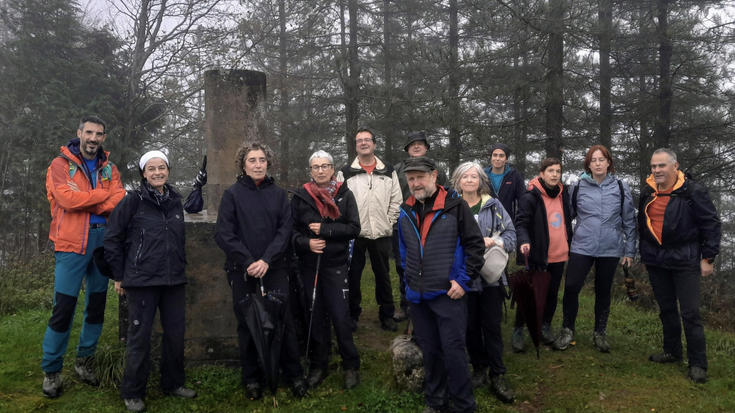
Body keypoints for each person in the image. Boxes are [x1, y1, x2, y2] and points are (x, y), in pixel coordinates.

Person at [104, 151, 197, 412]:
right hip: (142, 280)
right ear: (144, 174)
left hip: (174, 280)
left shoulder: (175, 201)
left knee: (176, 335)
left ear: (168, 171)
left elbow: (177, 240)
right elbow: (112, 238)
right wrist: (119, 275)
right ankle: (133, 392)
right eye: (152, 169)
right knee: (139, 337)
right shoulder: (132, 201)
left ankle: (173, 383)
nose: (158, 172)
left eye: (162, 168)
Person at [215, 142, 306, 400]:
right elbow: (224, 234)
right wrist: (248, 261)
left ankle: (293, 375)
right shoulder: (232, 194)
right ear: (243, 164)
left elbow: (285, 230)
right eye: (252, 160)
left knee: (283, 321)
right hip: (241, 270)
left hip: (275, 267)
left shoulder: (278, 194)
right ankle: (252, 378)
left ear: (268, 163)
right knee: (247, 324)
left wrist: (266, 259)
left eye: (262, 160)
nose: (258, 164)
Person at [42, 116, 126, 398]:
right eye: (88, 132)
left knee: (97, 305)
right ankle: (52, 369)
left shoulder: (110, 167)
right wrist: (103, 196)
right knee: (63, 308)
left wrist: (89, 196)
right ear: (79, 133)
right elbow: (66, 200)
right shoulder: (60, 165)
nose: (93, 138)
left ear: (104, 137)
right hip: (70, 244)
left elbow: (120, 198)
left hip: (103, 243)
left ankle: (85, 360)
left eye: (98, 134)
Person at [397, 157, 484, 413]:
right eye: (411, 179)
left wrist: (463, 280)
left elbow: (476, 247)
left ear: (434, 176)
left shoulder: (455, 207)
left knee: (454, 352)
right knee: (430, 351)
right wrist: (408, 281)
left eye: (420, 177)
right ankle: (436, 402)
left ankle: (464, 405)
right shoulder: (406, 211)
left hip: (448, 294)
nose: (416, 183)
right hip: (419, 297)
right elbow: (403, 252)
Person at [638, 148, 720, 384]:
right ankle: (672, 351)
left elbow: (711, 225)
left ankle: (698, 364)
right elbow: (643, 227)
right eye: (654, 166)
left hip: (685, 258)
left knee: (691, 313)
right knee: (666, 308)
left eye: (661, 166)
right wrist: (646, 256)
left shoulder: (693, 192)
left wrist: (708, 258)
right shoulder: (648, 191)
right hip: (656, 259)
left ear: (675, 167)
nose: (657, 170)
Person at [553, 145, 637, 353]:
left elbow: (629, 220)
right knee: (571, 287)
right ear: (588, 165)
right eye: (593, 160)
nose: (598, 164)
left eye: (602, 159)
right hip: (582, 246)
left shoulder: (620, 187)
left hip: (610, 247)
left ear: (609, 162)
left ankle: (600, 333)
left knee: (603, 290)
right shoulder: (578, 187)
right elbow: (566, 217)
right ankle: (567, 330)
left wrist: (629, 251)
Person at [290, 150, 361, 390]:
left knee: (341, 316)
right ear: (310, 171)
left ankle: (351, 365)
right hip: (310, 265)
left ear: (332, 170)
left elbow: (353, 228)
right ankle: (319, 364)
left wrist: (326, 231)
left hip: (336, 265)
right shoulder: (301, 196)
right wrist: (306, 243)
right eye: (315, 167)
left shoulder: (344, 194)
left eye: (325, 166)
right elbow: (291, 231)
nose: (320, 171)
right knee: (315, 315)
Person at [452, 162, 516, 404]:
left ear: (481, 180)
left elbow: (511, 234)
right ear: (458, 181)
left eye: (474, 176)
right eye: (464, 176)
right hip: (463, 278)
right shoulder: (452, 206)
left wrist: (497, 242)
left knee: (491, 327)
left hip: (491, 279)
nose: (469, 180)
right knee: (469, 326)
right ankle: (478, 367)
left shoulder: (494, 205)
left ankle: (497, 373)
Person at [337, 128, 402, 332]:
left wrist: (388, 221)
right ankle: (352, 315)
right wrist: (348, 226)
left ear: (374, 144)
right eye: (359, 141)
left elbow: (396, 200)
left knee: (383, 275)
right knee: (353, 276)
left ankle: (387, 315)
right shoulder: (345, 172)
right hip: (354, 235)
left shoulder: (388, 170)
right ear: (355, 146)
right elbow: (339, 202)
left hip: (381, 233)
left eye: (367, 140)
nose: (363, 143)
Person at [512, 158, 573, 353]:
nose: (555, 174)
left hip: (559, 253)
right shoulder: (530, 196)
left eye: (558, 171)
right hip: (538, 254)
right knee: (529, 294)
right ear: (542, 174)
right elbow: (520, 223)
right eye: (550, 171)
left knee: (552, 293)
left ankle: (545, 325)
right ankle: (518, 330)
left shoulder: (564, 194)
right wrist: (523, 241)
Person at [393, 131, 448, 321]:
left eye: (420, 143)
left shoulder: (437, 168)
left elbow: (446, 193)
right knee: (405, 263)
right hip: (406, 219)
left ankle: (434, 301)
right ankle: (406, 303)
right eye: (412, 144)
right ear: (407, 149)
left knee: (431, 262)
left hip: (432, 222)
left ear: (426, 147)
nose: (416, 146)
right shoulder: (397, 170)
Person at [483, 143, 526, 222]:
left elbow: (523, 200)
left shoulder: (514, 176)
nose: (497, 158)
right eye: (495, 155)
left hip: (508, 222)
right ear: (491, 157)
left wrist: (519, 220)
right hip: (486, 222)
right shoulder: (482, 176)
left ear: (506, 159)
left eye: (501, 156)